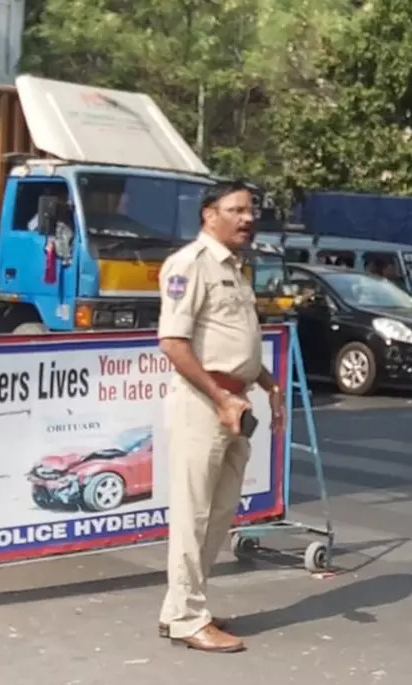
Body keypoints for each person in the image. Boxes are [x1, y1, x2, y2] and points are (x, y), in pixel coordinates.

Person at [155, 181, 286, 653]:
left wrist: (269, 385)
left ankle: (186, 607)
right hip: (204, 405)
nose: (248, 219)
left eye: (251, 211)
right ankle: (189, 619)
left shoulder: (236, 269)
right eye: (237, 210)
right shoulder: (190, 265)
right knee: (194, 514)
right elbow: (173, 342)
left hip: (237, 404)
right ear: (210, 215)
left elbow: (238, 343)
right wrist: (219, 398)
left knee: (220, 512)